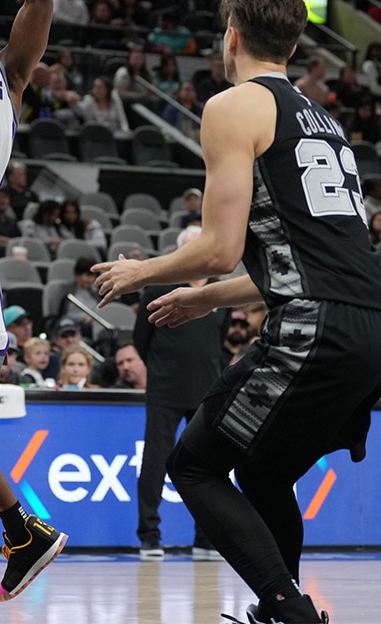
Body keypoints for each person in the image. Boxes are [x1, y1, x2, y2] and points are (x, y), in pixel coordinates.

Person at [94, 0, 381, 624]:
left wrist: (142, 270)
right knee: (264, 473)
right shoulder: (328, 122)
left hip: (319, 328)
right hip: (380, 330)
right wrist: (209, 301)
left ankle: (291, 612)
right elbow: (306, 260)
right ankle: (280, 611)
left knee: (196, 464)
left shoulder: (232, 105)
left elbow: (217, 246)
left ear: (231, 35)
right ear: (292, 45)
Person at [132, 226, 226, 561]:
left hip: (207, 392)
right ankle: (149, 537)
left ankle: (205, 540)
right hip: (165, 390)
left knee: (206, 466)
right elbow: (141, 339)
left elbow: (221, 343)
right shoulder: (159, 288)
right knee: (155, 463)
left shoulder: (219, 293)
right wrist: (160, 370)